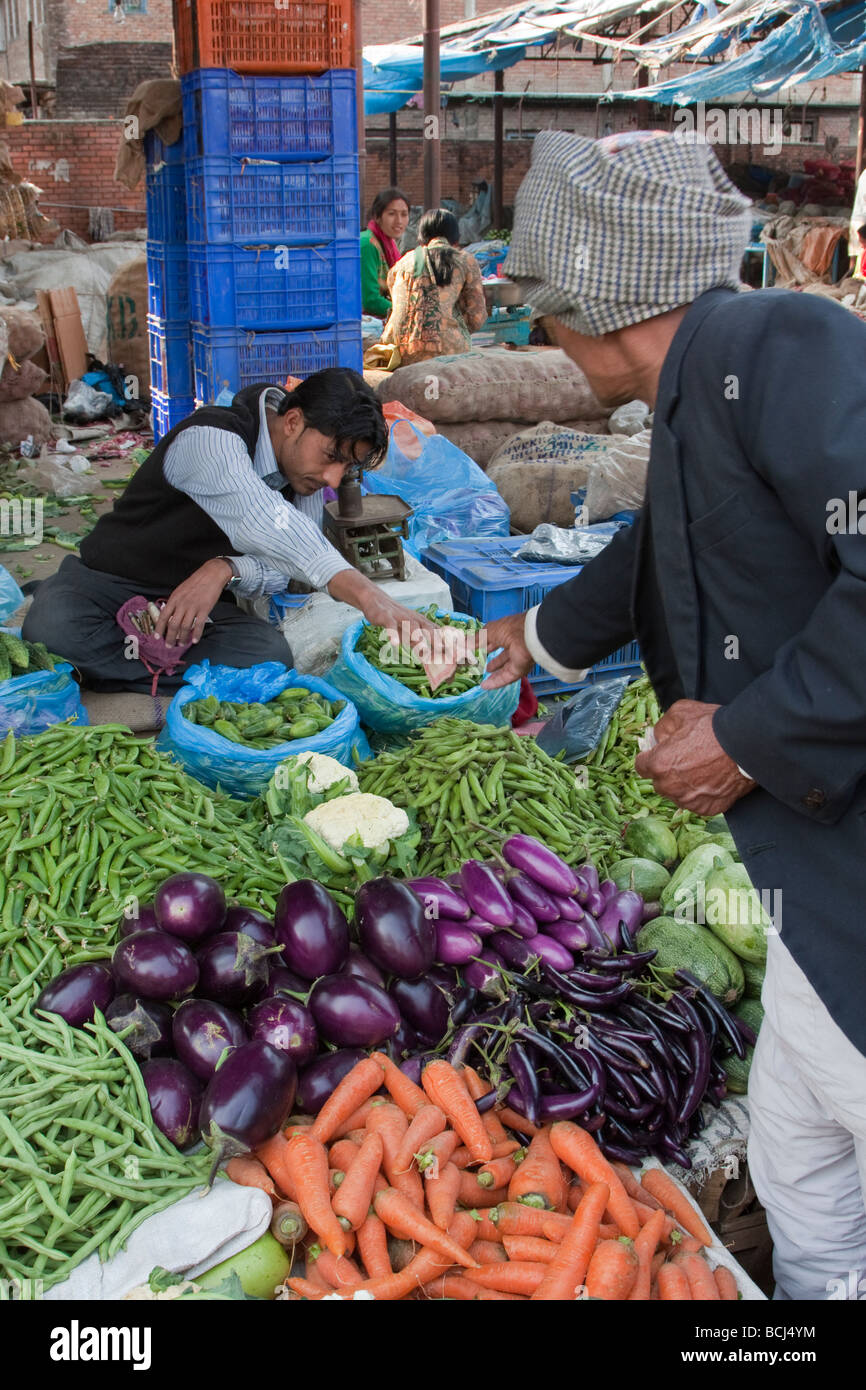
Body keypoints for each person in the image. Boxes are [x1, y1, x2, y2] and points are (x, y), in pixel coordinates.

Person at [482, 129, 866, 1302]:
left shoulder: (777, 340)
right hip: (808, 867)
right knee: (800, 1156)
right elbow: (668, 547)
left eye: (543, 310)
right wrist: (531, 642)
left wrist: (745, 737)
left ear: (594, 299)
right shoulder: (695, 395)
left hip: (844, 849)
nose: (540, 336)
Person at [23, 369, 435, 693]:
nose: (332, 477)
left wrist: (224, 569)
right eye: (331, 457)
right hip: (110, 582)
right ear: (292, 421)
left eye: (346, 468)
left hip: (189, 611)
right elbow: (263, 519)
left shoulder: (304, 477)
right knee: (51, 630)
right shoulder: (211, 438)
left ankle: (122, 664)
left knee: (269, 656)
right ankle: (139, 657)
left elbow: (282, 570)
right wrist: (369, 596)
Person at [379, 208, 488, 366]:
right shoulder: (464, 260)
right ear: (455, 237)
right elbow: (477, 318)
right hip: (448, 352)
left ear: (422, 235)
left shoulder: (402, 263)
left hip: (399, 354)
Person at [360, 188, 410, 319]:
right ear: (377, 216)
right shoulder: (367, 244)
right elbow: (370, 301)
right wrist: (407, 313)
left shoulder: (389, 245)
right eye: (392, 214)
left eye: (404, 214)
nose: (399, 221)